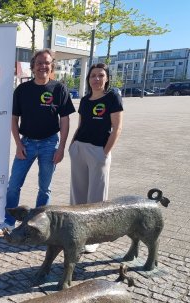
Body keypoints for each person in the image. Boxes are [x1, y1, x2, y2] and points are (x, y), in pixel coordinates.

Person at [0, 49, 75, 236]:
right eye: (39, 63)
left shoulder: (59, 89)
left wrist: (61, 148)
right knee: (13, 185)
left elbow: (65, 120)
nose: (43, 66)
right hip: (26, 144)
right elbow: (14, 119)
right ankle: (8, 222)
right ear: (33, 66)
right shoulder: (22, 90)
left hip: (50, 144)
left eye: (47, 63)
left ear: (52, 66)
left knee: (45, 188)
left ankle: (38, 225)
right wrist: (18, 145)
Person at [68, 63, 123, 253]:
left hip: (99, 150)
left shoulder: (112, 97)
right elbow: (80, 125)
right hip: (79, 149)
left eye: (101, 75)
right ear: (88, 79)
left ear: (107, 78)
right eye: (93, 76)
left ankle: (95, 236)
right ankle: (77, 231)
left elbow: (117, 128)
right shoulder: (85, 100)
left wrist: (105, 152)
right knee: (78, 193)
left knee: (97, 196)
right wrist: (72, 145)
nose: (96, 79)